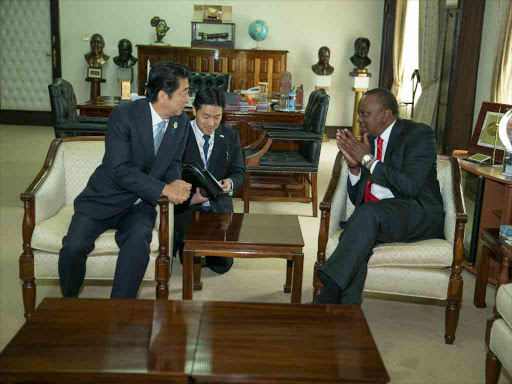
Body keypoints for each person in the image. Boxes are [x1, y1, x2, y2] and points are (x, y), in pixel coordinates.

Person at [58, 61, 193, 299]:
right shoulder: (124, 115)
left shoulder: (181, 122)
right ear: (163, 96)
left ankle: (120, 309)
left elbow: (172, 162)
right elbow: (119, 169)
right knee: (73, 246)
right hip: (105, 198)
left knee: (138, 241)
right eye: (184, 92)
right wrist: (164, 188)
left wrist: (176, 182)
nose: (187, 98)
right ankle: (69, 301)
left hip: (140, 205)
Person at [314, 88, 445, 305]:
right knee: (361, 233)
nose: (359, 119)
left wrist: (368, 160)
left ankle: (330, 290)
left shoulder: (419, 134)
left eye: (365, 114)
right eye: (359, 113)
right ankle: (347, 310)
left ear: (384, 114)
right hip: (378, 216)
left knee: (365, 217)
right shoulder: (369, 141)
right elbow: (359, 197)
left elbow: (410, 186)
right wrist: (355, 168)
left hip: (416, 212)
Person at [173, 87, 246, 274]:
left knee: (222, 266)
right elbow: (168, 176)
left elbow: (240, 173)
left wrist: (230, 183)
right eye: (205, 116)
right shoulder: (177, 134)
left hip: (218, 207)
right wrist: (191, 199)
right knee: (189, 261)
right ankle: (184, 243)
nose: (211, 123)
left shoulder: (230, 136)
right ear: (194, 111)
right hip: (188, 206)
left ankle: (209, 249)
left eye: (217, 117)